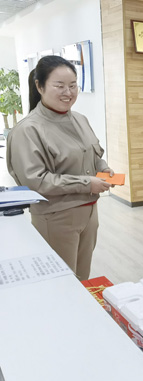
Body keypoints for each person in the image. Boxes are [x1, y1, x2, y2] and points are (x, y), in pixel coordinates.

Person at [7, 55, 113, 280]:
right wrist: (87, 183)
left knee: (82, 278)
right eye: (60, 86)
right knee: (62, 281)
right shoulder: (28, 130)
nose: (68, 92)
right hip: (56, 217)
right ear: (40, 86)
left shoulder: (80, 119)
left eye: (73, 85)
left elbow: (93, 154)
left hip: (89, 212)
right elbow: (35, 181)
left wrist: (103, 168)